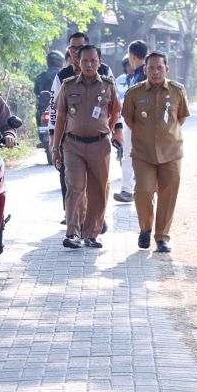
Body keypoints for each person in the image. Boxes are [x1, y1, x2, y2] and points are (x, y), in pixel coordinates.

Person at [52, 44, 122, 249]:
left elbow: (115, 112)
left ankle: (92, 234)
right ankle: (73, 232)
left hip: (100, 146)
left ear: (100, 62)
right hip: (73, 145)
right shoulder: (68, 85)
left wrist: (104, 131)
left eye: (93, 60)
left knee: (98, 189)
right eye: (85, 61)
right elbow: (61, 118)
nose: (89, 64)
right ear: (78, 62)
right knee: (75, 187)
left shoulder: (108, 86)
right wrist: (55, 148)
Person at [122, 51, 189, 253]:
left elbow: (181, 118)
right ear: (145, 70)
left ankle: (162, 237)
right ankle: (145, 228)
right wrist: (147, 135)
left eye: (160, 67)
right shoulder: (134, 93)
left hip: (171, 152)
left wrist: (165, 135)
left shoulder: (177, 91)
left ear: (166, 69)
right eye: (151, 68)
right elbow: (129, 120)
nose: (155, 71)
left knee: (168, 194)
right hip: (143, 153)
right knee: (143, 190)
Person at [48, 32, 113, 223]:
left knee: (98, 181)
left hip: (98, 138)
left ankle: (96, 218)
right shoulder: (63, 77)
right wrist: (54, 140)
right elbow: (55, 111)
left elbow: (116, 106)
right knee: (71, 180)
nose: (75, 52)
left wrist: (111, 130)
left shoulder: (105, 71)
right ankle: (73, 217)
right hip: (71, 138)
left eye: (79, 48)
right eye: (72, 48)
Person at [113, 40, 148, 203]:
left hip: (135, 122)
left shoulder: (140, 76)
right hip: (141, 122)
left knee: (129, 156)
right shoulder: (142, 74)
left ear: (132, 56)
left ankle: (129, 189)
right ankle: (135, 188)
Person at [33, 50, 63, 127]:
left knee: (39, 115)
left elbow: (36, 91)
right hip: (60, 109)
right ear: (60, 61)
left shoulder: (40, 76)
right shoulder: (64, 75)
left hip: (43, 109)